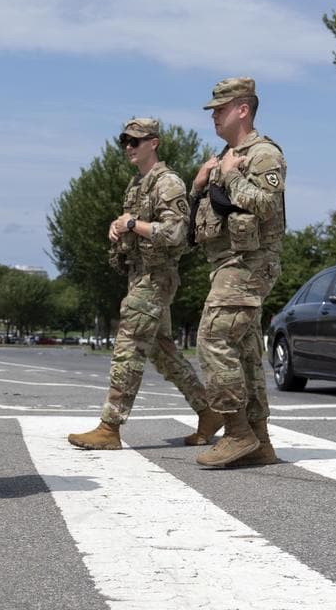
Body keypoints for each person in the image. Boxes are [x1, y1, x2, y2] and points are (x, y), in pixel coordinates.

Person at [68, 118, 223, 451]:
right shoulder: (137, 184)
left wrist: (133, 224)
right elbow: (133, 224)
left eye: (135, 141)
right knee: (163, 353)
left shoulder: (167, 183)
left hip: (155, 278)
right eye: (125, 141)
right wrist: (118, 226)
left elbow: (176, 234)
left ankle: (109, 427)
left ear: (154, 143)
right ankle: (208, 410)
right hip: (139, 275)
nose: (128, 147)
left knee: (128, 348)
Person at [189, 77, 285, 469]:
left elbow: (264, 203)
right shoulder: (224, 156)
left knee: (212, 339)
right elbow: (201, 224)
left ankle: (236, 431)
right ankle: (259, 442)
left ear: (243, 109)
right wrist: (197, 187)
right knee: (244, 353)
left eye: (221, 108)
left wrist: (229, 175)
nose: (214, 115)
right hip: (226, 264)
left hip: (250, 264)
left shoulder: (262, 155)